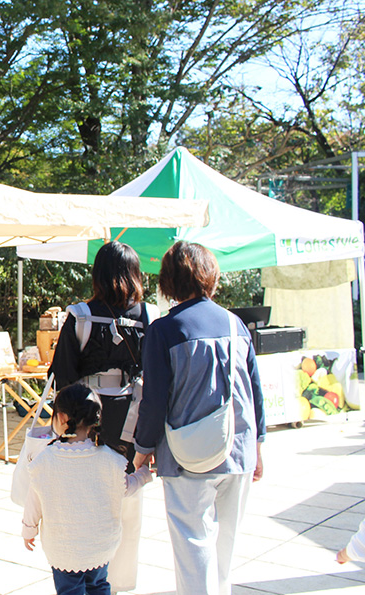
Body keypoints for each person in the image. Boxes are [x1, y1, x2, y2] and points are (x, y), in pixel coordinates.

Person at [134, 241, 265, 595]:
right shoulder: (236, 325)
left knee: (194, 548)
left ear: (169, 282)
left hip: (186, 456)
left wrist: (143, 449)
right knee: (226, 550)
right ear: (210, 276)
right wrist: (258, 445)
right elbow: (254, 390)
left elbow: (155, 399)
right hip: (238, 451)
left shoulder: (164, 330)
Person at [48, 241, 156, 592]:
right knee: (126, 498)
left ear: (98, 274)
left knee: (81, 496)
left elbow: (62, 376)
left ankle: (79, 571)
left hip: (85, 422)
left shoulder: (79, 315)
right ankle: (119, 582)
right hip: (131, 417)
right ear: (135, 275)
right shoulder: (146, 317)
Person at [22, 383, 153, 595]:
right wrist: (143, 473)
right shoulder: (111, 460)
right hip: (100, 546)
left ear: (62, 418)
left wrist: (29, 529)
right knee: (99, 586)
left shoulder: (45, 460)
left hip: (64, 548)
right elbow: (127, 487)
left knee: (69, 590)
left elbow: (34, 500)